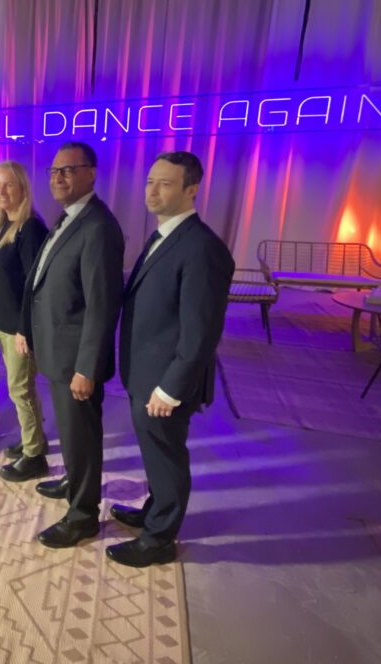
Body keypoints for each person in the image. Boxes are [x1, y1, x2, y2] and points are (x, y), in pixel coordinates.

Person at [108, 151, 233, 567]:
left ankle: (160, 538)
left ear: (191, 189)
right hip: (144, 371)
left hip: (164, 380)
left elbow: (201, 332)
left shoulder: (202, 248)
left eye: (165, 183)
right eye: (149, 182)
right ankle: (153, 511)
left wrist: (171, 387)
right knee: (154, 451)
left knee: (167, 455)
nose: (152, 190)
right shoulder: (164, 234)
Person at [17, 142, 124, 549]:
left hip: (75, 358)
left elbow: (101, 305)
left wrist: (87, 367)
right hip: (57, 350)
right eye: (53, 171)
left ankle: (82, 516)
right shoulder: (68, 219)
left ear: (91, 173)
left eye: (68, 170)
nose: (58, 178)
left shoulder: (98, 226)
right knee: (72, 433)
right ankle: (72, 481)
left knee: (80, 435)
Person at [0, 161, 51, 482]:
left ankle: (34, 456)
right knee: (22, 388)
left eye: (8, 185)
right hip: (3, 326)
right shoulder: (1, 224)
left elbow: (34, 286)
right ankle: (35, 440)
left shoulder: (30, 229)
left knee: (20, 390)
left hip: (18, 330)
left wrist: (25, 330)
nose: (1, 191)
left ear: (23, 189)